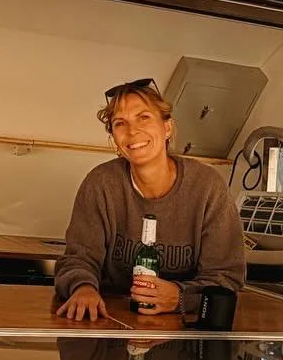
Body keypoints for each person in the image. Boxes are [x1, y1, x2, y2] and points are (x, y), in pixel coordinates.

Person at [54, 78, 247, 323]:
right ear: (113, 137)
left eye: (143, 117)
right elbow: (78, 258)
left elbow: (226, 279)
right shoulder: (101, 183)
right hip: (113, 323)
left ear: (167, 127)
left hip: (183, 333)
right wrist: (82, 288)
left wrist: (179, 298)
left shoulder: (208, 187)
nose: (132, 131)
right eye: (120, 123)